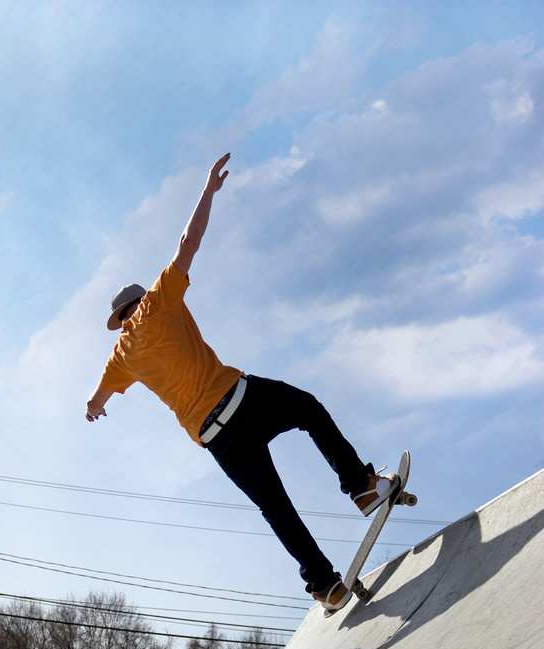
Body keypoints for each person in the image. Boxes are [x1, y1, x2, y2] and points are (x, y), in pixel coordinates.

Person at [85, 153, 399, 614]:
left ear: (119, 320)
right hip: (240, 400)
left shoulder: (119, 357)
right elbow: (187, 242)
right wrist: (207, 191)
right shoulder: (159, 300)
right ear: (140, 300)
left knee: (276, 508)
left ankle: (325, 585)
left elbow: (96, 399)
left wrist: (95, 409)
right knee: (308, 408)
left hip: (216, 439)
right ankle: (362, 487)